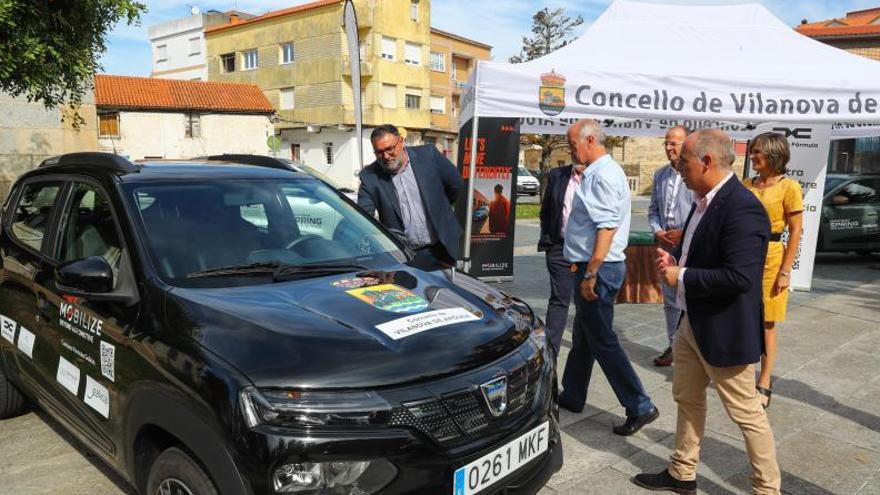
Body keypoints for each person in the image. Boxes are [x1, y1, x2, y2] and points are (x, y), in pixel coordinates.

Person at [634, 129, 780, 494]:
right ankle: (682, 472)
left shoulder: (743, 208)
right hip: (692, 322)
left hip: (724, 329)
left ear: (707, 161)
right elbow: (704, 253)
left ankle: (767, 489)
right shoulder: (704, 200)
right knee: (686, 397)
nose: (678, 168)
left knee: (747, 414)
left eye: (684, 162)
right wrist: (678, 258)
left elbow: (740, 277)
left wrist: (680, 275)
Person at [558, 119, 659, 436]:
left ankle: (640, 405)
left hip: (598, 268)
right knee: (584, 336)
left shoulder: (602, 176)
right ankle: (573, 395)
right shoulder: (598, 173)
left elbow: (606, 228)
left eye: (572, 143)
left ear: (589, 141)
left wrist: (591, 273)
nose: (570, 148)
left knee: (602, 339)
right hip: (594, 266)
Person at [744, 133, 804, 409]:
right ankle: (741, 372)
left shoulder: (788, 187)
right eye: (752, 151)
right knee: (743, 315)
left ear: (774, 154)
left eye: (758, 152)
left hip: (771, 257)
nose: (752, 156)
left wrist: (785, 271)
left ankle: (765, 380)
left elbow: (796, 232)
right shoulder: (747, 185)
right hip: (745, 257)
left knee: (767, 321)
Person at [358, 125, 464, 270]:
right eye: (379, 152)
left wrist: (439, 209)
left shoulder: (429, 155)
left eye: (390, 149)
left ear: (401, 142)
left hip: (443, 247)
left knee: (448, 291)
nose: (386, 156)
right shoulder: (370, 176)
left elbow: (456, 184)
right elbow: (363, 218)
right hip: (406, 256)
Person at [647, 126, 695, 367]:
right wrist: (658, 231)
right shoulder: (660, 175)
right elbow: (653, 210)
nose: (668, 148)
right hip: (666, 246)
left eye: (673, 144)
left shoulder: (695, 174)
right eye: (666, 143)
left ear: (687, 145)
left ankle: (691, 347)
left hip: (691, 245)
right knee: (669, 300)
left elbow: (704, 212)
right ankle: (673, 345)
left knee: (690, 297)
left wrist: (684, 233)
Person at [537, 160, 585, 357]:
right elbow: (546, 211)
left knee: (583, 303)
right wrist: (550, 241)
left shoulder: (599, 176)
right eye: (572, 147)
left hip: (587, 251)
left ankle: (580, 353)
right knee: (559, 300)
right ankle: (550, 356)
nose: (576, 154)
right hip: (560, 247)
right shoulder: (558, 174)